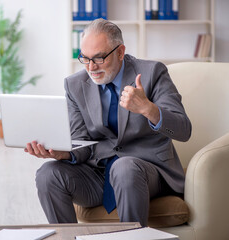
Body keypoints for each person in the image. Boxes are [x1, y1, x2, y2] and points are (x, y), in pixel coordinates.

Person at [25, 18, 191, 227]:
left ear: (120, 52)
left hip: (147, 172)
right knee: (47, 174)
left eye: (99, 58)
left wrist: (148, 109)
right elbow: (81, 142)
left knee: (124, 168)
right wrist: (64, 153)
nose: (91, 67)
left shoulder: (153, 73)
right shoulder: (75, 85)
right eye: (84, 58)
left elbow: (184, 130)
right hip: (98, 174)